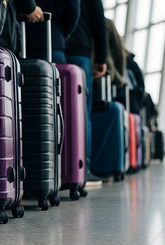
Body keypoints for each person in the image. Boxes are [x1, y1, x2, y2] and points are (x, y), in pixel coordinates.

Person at [65, 0, 108, 186]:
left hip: (56, 47)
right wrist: (101, 58)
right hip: (80, 53)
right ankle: (83, 168)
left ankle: (61, 168)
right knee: (82, 113)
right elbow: (99, 23)